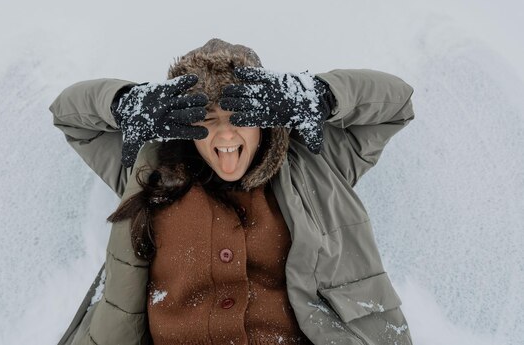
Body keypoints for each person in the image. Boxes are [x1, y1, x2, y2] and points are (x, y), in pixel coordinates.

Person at [49, 38, 415, 345]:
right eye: (206, 118)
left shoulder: (316, 164)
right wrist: (126, 103)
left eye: (241, 117)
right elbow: (69, 115)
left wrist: (319, 95)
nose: (224, 134)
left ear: (268, 116)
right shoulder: (149, 171)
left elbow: (396, 104)